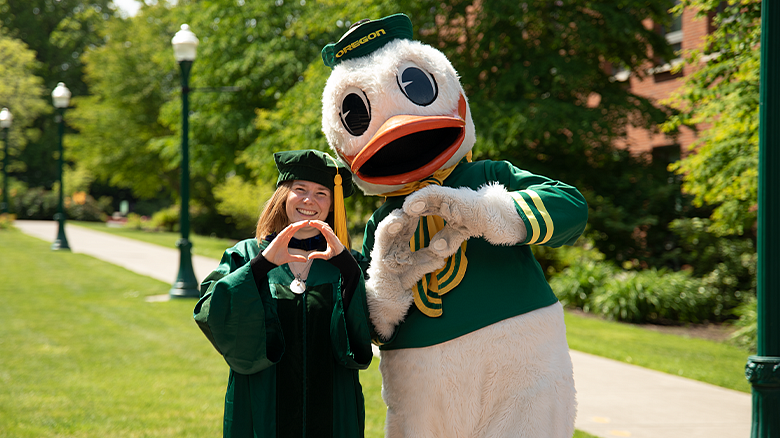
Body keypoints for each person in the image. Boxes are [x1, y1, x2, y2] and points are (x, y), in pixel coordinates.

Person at [194, 149, 373, 438]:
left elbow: (376, 326)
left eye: (321, 193)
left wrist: (349, 269)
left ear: (332, 205)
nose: (308, 200)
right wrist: (261, 265)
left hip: (332, 408)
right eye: (299, 189)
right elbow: (210, 311)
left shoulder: (347, 264)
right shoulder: (246, 254)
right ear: (283, 197)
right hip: (263, 405)